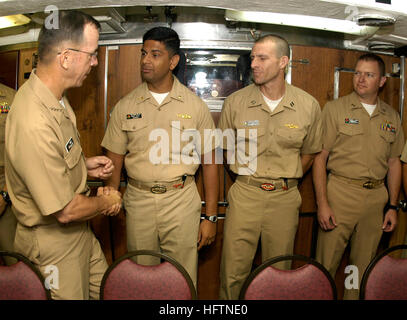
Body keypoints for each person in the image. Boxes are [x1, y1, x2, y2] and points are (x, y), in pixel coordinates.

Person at [5, 10, 122, 300]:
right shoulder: (34, 119)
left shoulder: (55, 97)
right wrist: (107, 200)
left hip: (78, 234)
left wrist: (83, 167)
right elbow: (66, 210)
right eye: (92, 54)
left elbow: (51, 163)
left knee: (104, 291)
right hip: (53, 243)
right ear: (66, 58)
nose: (95, 62)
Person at [101, 26, 219, 288]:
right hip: (139, 202)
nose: (145, 60)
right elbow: (114, 160)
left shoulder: (195, 106)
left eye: (155, 54)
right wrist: (111, 197)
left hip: (181, 201)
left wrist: (210, 217)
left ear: (173, 61)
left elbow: (211, 162)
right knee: (141, 279)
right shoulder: (126, 106)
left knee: (182, 280)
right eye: (143, 53)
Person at [218, 34, 322, 300]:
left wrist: (284, 178)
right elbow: (227, 150)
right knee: (233, 273)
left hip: (284, 198)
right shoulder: (236, 102)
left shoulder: (308, 105)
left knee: (278, 274)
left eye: (262, 58)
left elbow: (309, 154)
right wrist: (248, 177)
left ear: (283, 62)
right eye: (253, 57)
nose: (254, 63)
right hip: (245, 195)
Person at [313, 53, 404, 300]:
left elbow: (394, 163)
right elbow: (320, 158)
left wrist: (392, 206)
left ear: (382, 81)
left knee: (359, 269)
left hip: (375, 200)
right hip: (341, 194)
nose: (361, 79)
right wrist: (323, 203)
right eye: (357, 73)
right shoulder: (335, 109)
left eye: (369, 75)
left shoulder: (391, 116)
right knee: (326, 266)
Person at [0, 83, 17, 266]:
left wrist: (5, 194)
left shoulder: (12, 99)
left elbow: (22, 152)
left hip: (5, 182)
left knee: (14, 260)